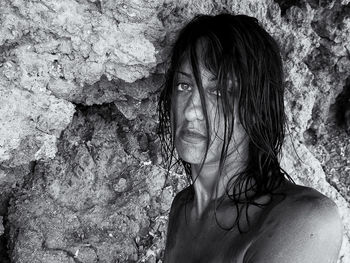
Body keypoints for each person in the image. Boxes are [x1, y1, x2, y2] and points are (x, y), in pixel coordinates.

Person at [157, 13, 343, 263]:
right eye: (184, 86)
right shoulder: (182, 209)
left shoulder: (305, 221)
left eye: (220, 92)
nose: (191, 111)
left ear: (257, 111)